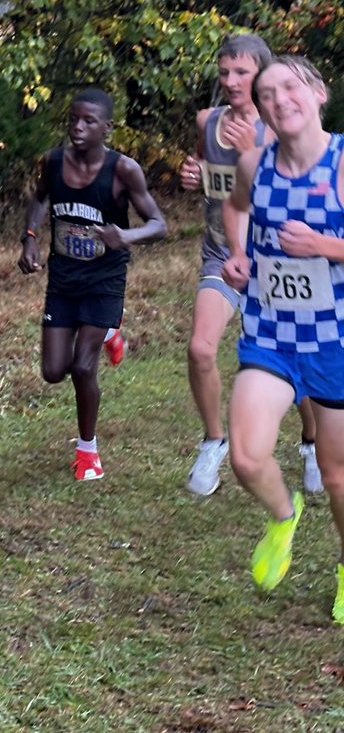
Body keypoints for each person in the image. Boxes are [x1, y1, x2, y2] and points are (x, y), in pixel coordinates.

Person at [220, 55, 344, 620]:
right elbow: (236, 207)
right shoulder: (254, 163)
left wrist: (324, 246)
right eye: (267, 93)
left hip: (336, 341)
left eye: (290, 87)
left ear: (318, 94)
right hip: (270, 331)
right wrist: (240, 255)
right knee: (246, 457)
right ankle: (283, 514)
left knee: (339, 476)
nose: (278, 100)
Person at [179, 35, 321, 497]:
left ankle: (313, 443)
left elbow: (292, 190)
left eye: (241, 73)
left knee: (294, 367)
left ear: (261, 75)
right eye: (224, 73)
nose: (231, 81)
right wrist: (190, 173)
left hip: (277, 264)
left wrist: (250, 154)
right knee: (201, 350)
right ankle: (213, 442)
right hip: (223, 256)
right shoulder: (207, 121)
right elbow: (203, 170)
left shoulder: (282, 128)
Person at [18, 88, 168, 481]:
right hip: (64, 278)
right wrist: (31, 237)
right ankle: (110, 333)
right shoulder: (52, 161)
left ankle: (88, 453)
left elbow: (159, 224)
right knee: (54, 371)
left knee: (83, 366)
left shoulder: (123, 170)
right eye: (73, 119)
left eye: (88, 121)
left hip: (105, 279)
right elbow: (39, 199)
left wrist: (126, 236)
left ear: (107, 127)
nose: (78, 127)